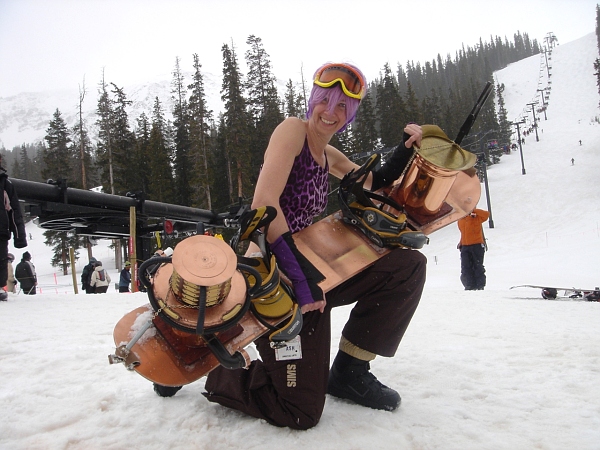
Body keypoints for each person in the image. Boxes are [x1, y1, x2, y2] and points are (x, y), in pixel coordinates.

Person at [202, 63, 426, 429]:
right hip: (278, 278)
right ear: (313, 100)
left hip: (312, 275)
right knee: (300, 411)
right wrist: (303, 279)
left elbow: (374, 180)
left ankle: (350, 371)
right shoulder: (292, 131)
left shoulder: (328, 154)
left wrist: (404, 149)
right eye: (326, 101)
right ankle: (216, 372)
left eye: (343, 107)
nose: (331, 113)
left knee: (406, 266)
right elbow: (264, 206)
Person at [0, 156, 27, 301]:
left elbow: (15, 211)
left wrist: (19, 236)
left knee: (1, 259)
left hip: (1, 231)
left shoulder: (5, 184)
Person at [457, 208, 490, 290]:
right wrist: (461, 242)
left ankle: (479, 286)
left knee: (477, 266)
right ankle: (469, 285)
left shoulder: (477, 217)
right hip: (465, 246)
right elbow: (463, 233)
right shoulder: (460, 220)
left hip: (477, 245)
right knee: (465, 267)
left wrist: (473, 210)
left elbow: (486, 215)